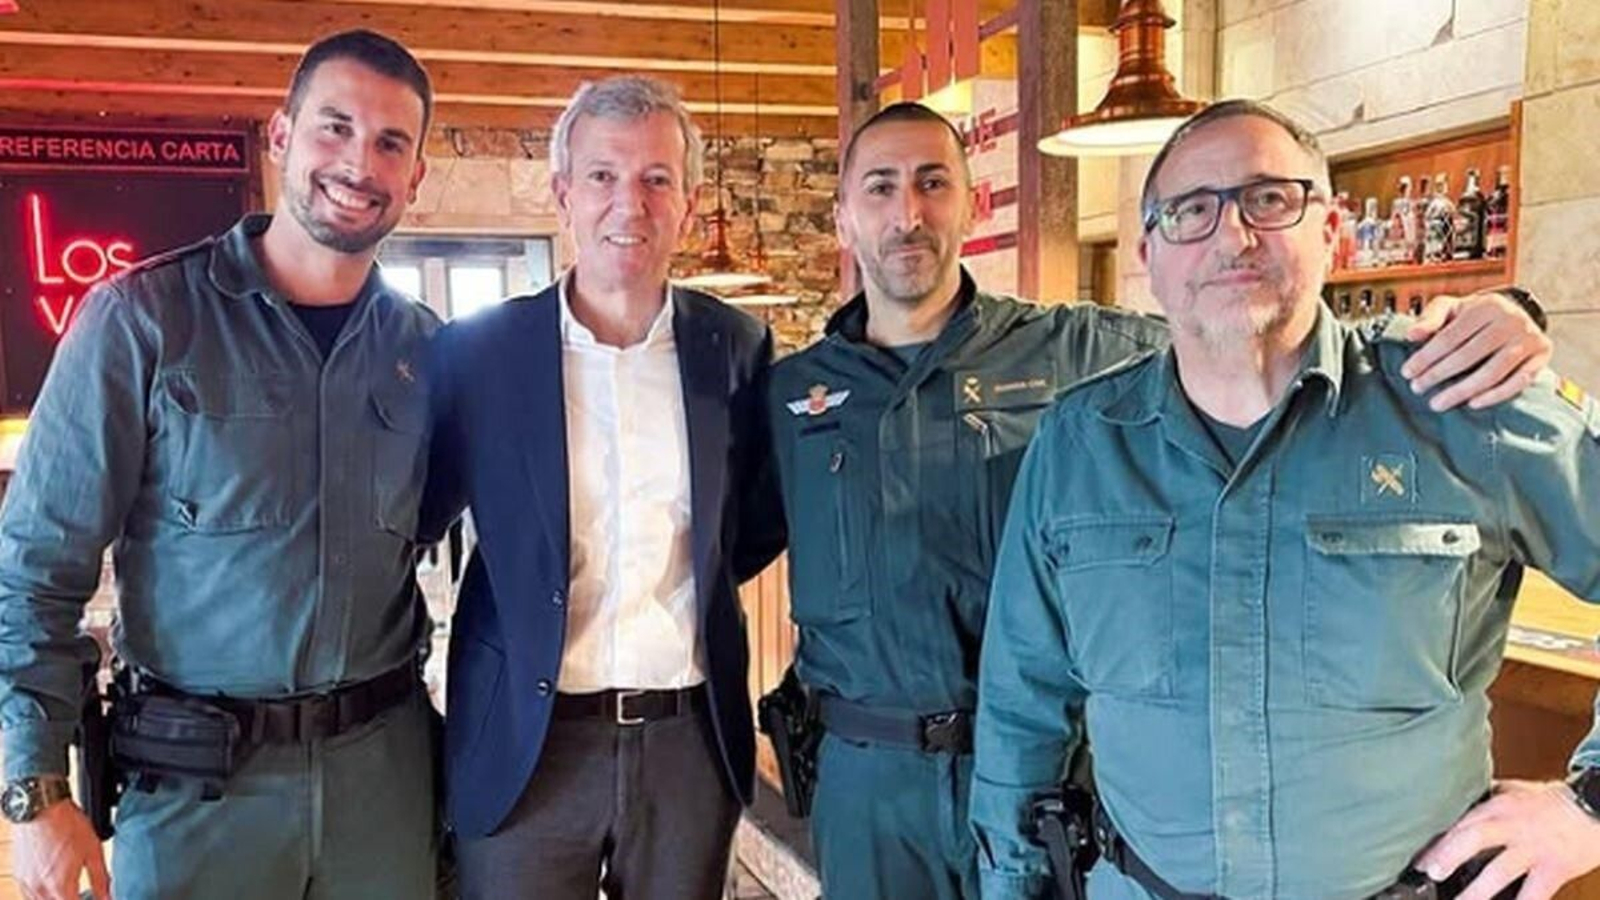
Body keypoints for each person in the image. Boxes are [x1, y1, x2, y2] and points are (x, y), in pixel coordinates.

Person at [767, 101, 1555, 900]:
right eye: (880, 187)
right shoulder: (793, 393)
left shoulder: (1077, 350)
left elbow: (1244, 326)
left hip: (1056, 775)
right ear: (843, 217)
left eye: (933, 182)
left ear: (971, 204)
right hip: (874, 776)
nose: (908, 212)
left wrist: (1495, 318)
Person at [972, 99, 1600, 900]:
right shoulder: (1080, 444)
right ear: (1149, 258)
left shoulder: (1462, 405)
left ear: (1333, 231)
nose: (1233, 237)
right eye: (1191, 211)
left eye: (1270, 199)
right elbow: (1022, 702)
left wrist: (1587, 807)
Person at [0, 29, 441, 900]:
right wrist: (34, 789)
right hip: (197, 789)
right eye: (335, 127)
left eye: (391, 142)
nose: (359, 162)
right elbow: (33, 571)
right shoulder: (142, 321)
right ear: (280, 136)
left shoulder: (428, 352)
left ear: (416, 176)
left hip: (384, 789)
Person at [419, 75, 785, 900]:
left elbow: (752, 527)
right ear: (563, 193)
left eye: (658, 179)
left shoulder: (736, 348)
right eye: (603, 176)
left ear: (688, 202)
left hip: (688, 744)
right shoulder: (479, 356)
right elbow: (417, 515)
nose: (632, 203)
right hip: (527, 741)